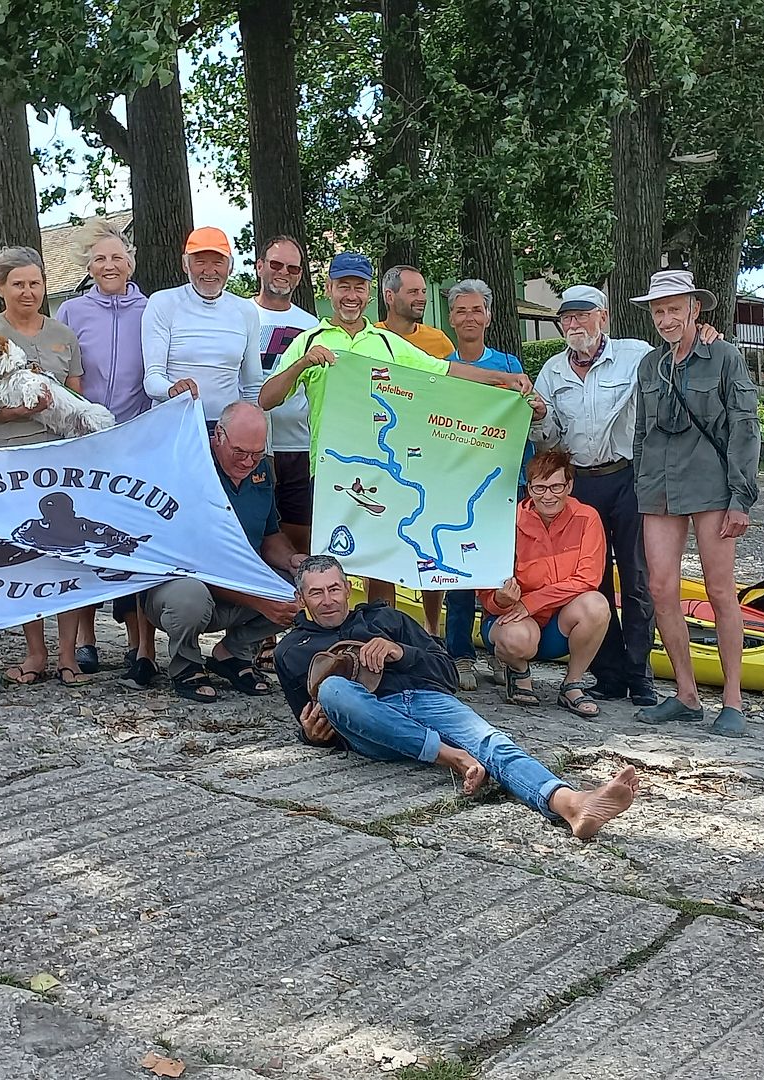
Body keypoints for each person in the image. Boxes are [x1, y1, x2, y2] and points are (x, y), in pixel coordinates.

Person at [274, 555, 639, 840]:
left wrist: (400, 652)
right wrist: (313, 734)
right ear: (301, 597)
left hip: (422, 699)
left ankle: (571, 804)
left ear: (348, 589)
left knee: (491, 740)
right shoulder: (291, 650)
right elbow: (309, 723)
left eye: (334, 589)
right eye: (316, 592)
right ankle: (451, 757)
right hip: (376, 730)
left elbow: (447, 674)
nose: (327, 600)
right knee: (334, 688)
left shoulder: (387, 618)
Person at [256, 252, 531, 619]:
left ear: (369, 293)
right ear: (329, 290)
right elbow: (266, 398)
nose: (350, 296)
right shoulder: (310, 340)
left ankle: (379, 633)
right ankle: (330, 635)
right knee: (331, 560)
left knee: (379, 562)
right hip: (330, 469)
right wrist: (304, 363)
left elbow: (444, 370)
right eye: (343, 287)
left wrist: (502, 379)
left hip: (382, 468)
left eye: (358, 287)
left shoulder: (385, 343)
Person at [530, 286, 720, 708]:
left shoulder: (636, 354)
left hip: (630, 478)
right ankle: (609, 675)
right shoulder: (552, 372)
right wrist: (541, 417)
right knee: (590, 582)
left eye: (582, 316)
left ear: (604, 317)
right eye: (566, 319)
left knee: (638, 579)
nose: (573, 325)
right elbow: (551, 439)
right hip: (581, 485)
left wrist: (703, 333)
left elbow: (679, 360)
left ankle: (641, 676)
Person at [630, 269, 760, 738]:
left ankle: (732, 700)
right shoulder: (650, 365)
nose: (665, 318)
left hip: (712, 488)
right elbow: (642, 432)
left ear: (694, 309)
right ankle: (686, 695)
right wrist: (640, 486)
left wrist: (741, 497)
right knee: (661, 589)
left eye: (673, 309)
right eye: (658, 311)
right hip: (660, 490)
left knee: (720, 591)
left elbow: (745, 428)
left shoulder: (724, 356)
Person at [0, 246, 89, 687]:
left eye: (35, 283)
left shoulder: (63, 335)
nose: (28, 291)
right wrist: (20, 410)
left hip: (62, 457)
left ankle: (68, 655)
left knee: (68, 552)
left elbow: (79, 401)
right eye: (17, 283)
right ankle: (35, 652)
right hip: (10, 457)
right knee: (26, 552)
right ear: (1, 288)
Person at [140, 402, 306, 704]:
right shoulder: (190, 467)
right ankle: (186, 664)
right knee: (188, 597)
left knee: (302, 588)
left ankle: (233, 653)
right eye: (240, 452)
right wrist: (261, 601)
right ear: (218, 435)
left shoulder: (262, 470)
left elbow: (270, 536)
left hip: (240, 581)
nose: (247, 462)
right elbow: (191, 565)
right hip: (182, 583)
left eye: (257, 453)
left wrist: (293, 561)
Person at [54, 221, 152, 682]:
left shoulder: (151, 309)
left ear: (130, 262)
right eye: (99, 260)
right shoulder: (72, 312)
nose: (108, 266)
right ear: (88, 267)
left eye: (116, 258)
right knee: (84, 539)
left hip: (134, 439)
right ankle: (87, 641)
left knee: (128, 536)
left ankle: (139, 642)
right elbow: (62, 374)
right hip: (86, 441)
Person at [437, 278, 531, 690]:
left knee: (502, 570)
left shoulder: (509, 365)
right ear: (451, 319)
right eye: (461, 310)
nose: (469, 317)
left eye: (476, 309)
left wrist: (536, 405)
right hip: (458, 485)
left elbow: (532, 415)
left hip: (508, 483)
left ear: (489, 316)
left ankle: (501, 650)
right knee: (458, 570)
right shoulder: (439, 366)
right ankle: (459, 654)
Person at [479, 449, 611, 717]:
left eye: (556, 487)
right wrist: (500, 599)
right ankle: (518, 672)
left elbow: (589, 578)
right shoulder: (509, 520)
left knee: (597, 605)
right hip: (512, 621)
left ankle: (572, 684)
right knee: (517, 639)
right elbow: (485, 588)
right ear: (528, 488)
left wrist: (532, 602)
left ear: (570, 486)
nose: (548, 496)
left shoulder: (588, 518)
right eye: (539, 487)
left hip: (559, 624)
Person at [142, 227, 261, 424]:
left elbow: (253, 384)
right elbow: (152, 378)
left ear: (230, 267)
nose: (209, 271)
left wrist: (259, 438)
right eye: (200, 262)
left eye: (217, 262)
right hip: (175, 426)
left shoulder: (246, 311)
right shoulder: (163, 303)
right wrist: (172, 390)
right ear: (185, 265)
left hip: (228, 431)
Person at [252, 235, 322, 558]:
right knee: (252, 537)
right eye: (276, 265)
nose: (284, 273)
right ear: (259, 267)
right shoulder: (238, 314)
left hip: (298, 447)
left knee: (300, 542)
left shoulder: (312, 325)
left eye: (293, 268)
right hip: (250, 446)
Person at [379, 265, 455, 358]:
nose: (422, 298)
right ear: (390, 297)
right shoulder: (371, 339)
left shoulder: (439, 340)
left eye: (423, 292)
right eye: (413, 292)